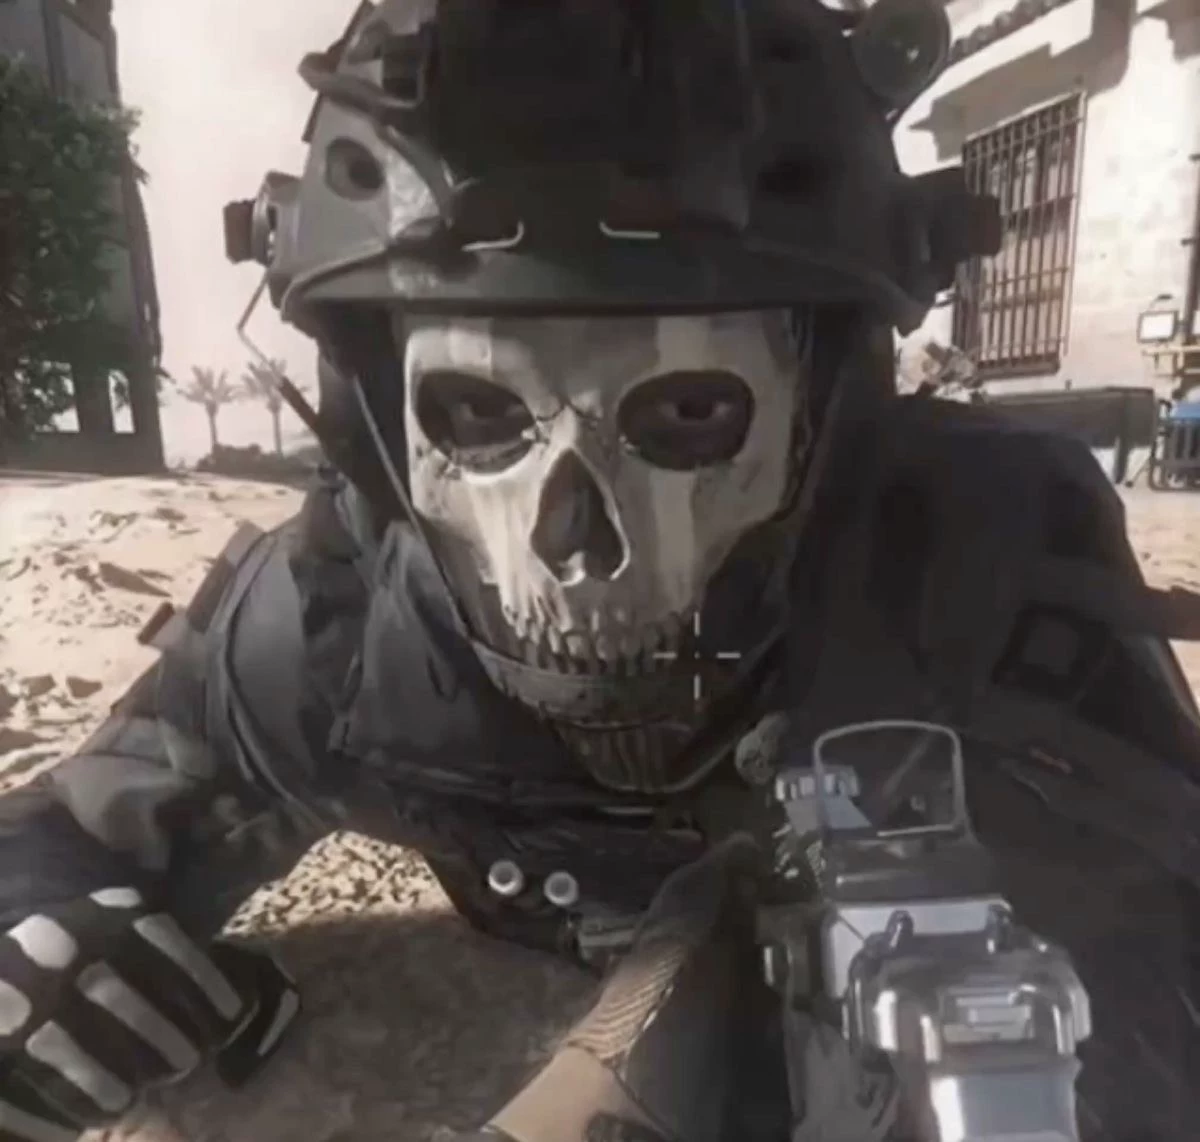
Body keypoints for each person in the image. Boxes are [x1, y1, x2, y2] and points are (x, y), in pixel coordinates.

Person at [1, 1, 1199, 1139]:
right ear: (380, 436)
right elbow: (73, 824)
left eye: (685, 412)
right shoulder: (338, 622)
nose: (572, 542)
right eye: (479, 414)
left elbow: (1158, 950)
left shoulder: (966, 566)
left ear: (826, 413)